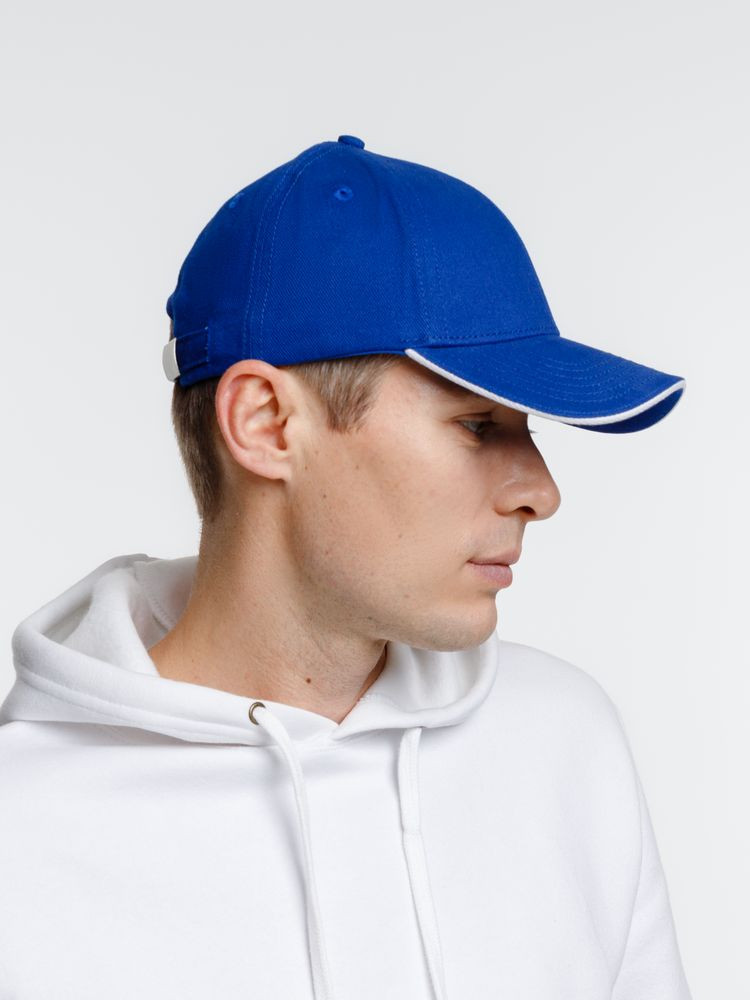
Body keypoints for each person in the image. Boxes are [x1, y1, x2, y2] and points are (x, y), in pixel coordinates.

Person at [0, 134, 693, 999]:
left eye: (528, 431)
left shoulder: (563, 743)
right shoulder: (23, 835)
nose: (541, 493)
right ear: (265, 424)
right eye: (479, 426)